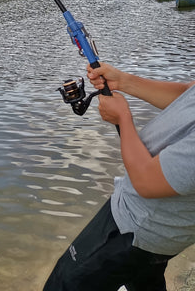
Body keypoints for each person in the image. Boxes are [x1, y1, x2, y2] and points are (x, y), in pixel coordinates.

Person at [43, 62, 195, 291]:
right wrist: (123, 81)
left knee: (63, 284)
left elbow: (147, 181)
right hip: (155, 229)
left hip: (135, 228)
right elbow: (188, 95)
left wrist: (123, 118)